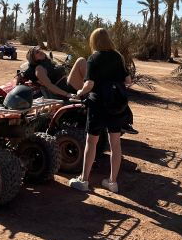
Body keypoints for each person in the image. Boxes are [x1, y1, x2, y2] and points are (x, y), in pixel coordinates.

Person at [68, 28, 133, 194]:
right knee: (115, 144)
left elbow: (89, 84)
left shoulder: (93, 58)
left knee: (92, 142)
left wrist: (79, 93)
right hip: (116, 105)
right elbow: (128, 80)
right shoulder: (118, 56)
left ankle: (83, 180)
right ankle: (112, 182)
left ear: (94, 41)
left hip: (98, 105)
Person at [21, 46, 138, 134]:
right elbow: (50, 86)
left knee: (96, 82)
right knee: (81, 61)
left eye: (40, 49)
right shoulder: (39, 69)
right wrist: (67, 94)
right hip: (65, 88)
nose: (40, 51)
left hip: (68, 83)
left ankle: (105, 89)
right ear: (33, 58)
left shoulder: (48, 62)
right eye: (37, 52)